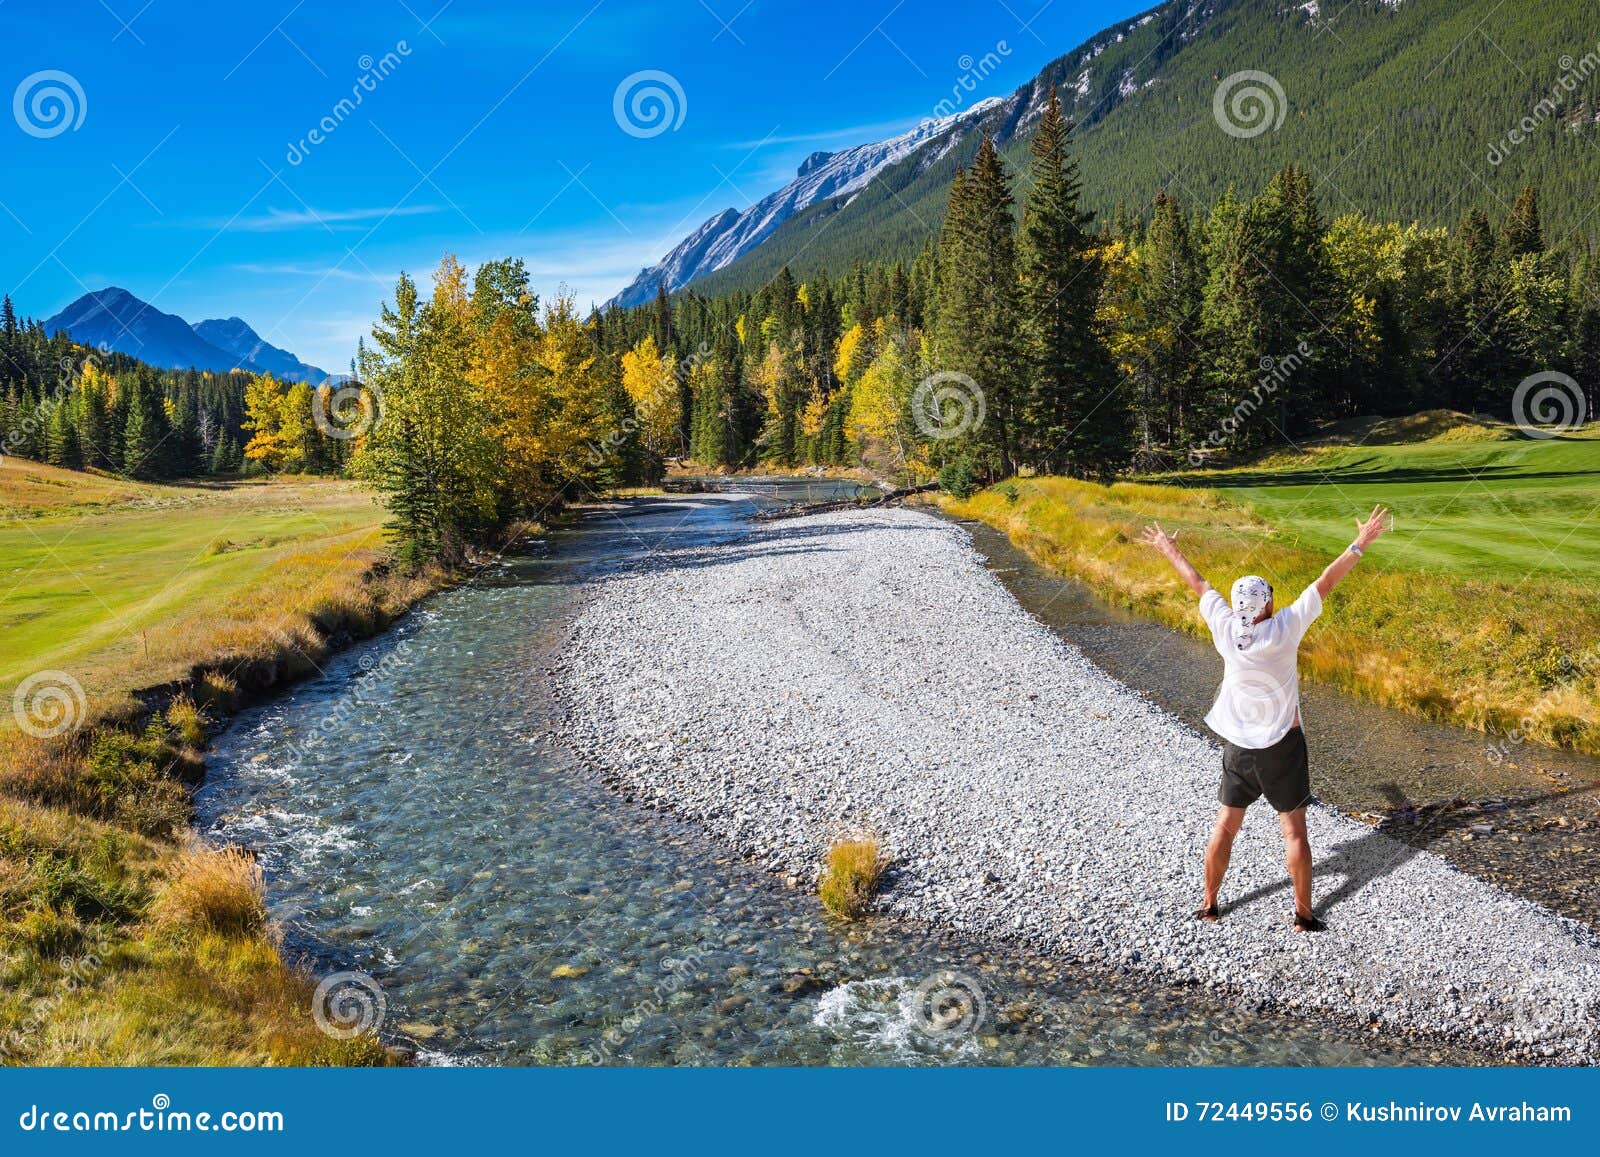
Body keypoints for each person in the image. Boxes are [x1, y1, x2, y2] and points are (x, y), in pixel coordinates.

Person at [1140, 505, 1393, 932]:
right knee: (1294, 833)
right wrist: (1361, 542)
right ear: (1269, 604)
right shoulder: (1286, 627)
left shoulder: (1223, 626)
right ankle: (1303, 914)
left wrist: (1167, 548)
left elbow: (1197, 582)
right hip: (1283, 745)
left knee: (1226, 825)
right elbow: (1327, 581)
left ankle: (1210, 904)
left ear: (1239, 605)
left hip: (1239, 748)